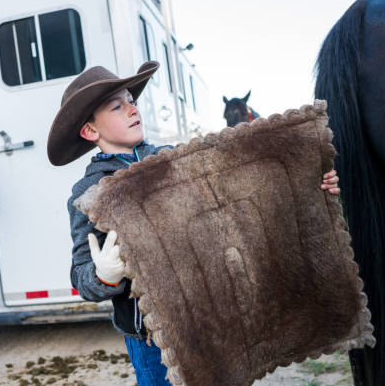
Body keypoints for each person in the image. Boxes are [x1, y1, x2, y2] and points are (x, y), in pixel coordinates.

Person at [46, 61, 340, 385]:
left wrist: (310, 182)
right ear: (90, 130)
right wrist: (104, 275)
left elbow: (237, 192)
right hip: (152, 339)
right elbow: (81, 274)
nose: (132, 109)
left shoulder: (173, 160)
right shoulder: (88, 193)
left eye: (132, 100)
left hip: (207, 319)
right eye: (117, 106)